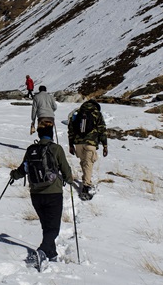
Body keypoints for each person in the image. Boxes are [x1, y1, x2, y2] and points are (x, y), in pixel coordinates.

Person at [9, 120, 73, 267]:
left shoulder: (31, 149)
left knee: (46, 226)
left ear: (39, 134)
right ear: (51, 134)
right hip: (53, 193)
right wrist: (69, 180)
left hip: (36, 194)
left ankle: (51, 254)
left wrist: (13, 175)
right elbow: (66, 170)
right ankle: (41, 251)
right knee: (54, 228)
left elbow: (22, 169)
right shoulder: (56, 149)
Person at [67, 99, 108, 200]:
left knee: (84, 162)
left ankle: (86, 179)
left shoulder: (77, 113)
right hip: (91, 142)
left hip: (78, 143)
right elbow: (102, 130)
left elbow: (71, 130)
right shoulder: (97, 113)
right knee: (88, 163)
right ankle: (86, 186)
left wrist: (71, 145)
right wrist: (105, 145)